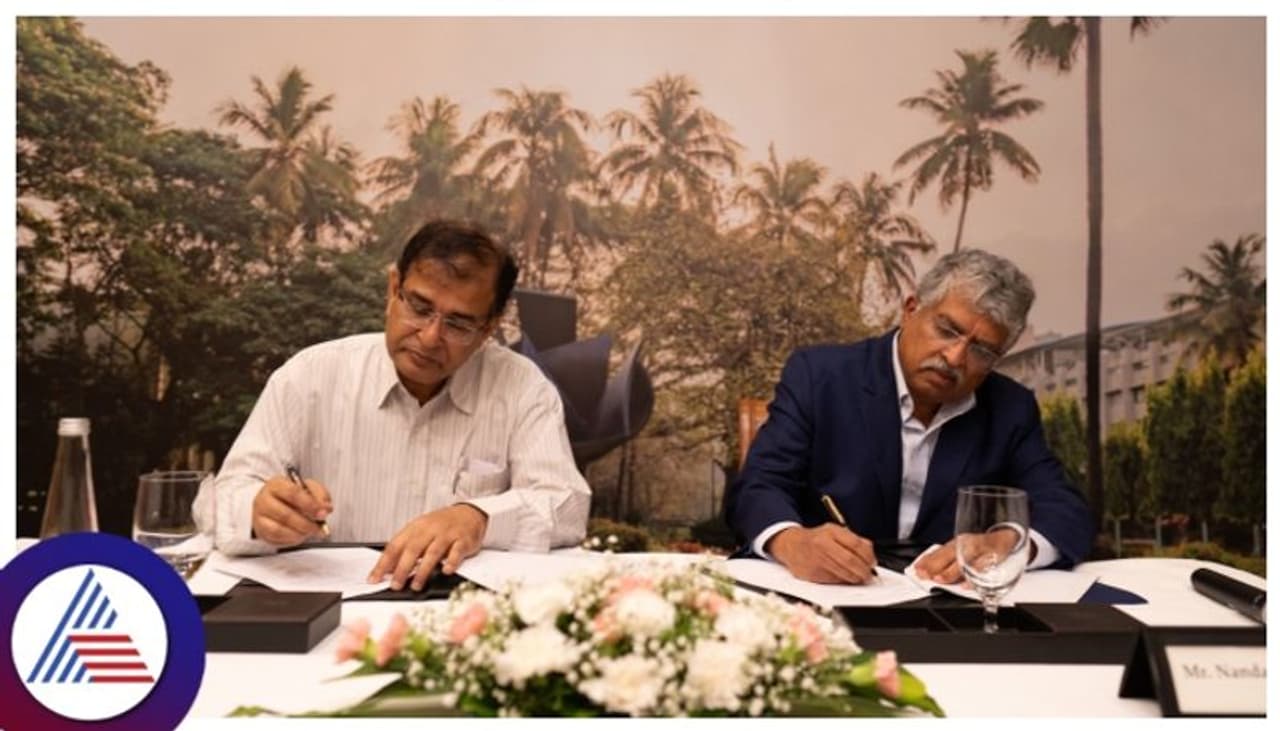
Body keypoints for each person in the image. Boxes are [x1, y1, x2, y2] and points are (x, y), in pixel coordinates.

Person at [201, 219, 590, 591]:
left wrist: (478, 517)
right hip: (327, 606)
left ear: (488, 327)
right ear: (393, 290)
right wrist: (257, 512)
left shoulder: (521, 388)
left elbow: (568, 506)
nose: (430, 337)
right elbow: (221, 500)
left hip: (460, 610)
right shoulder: (310, 376)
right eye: (419, 308)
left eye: (458, 324)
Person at [725, 249, 1094, 585]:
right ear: (911, 309)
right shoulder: (820, 376)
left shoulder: (1010, 408)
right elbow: (760, 485)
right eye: (947, 330)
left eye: (982, 351)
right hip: (825, 597)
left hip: (947, 609)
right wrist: (793, 542)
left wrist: (1007, 543)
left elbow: (1067, 511)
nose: (954, 357)